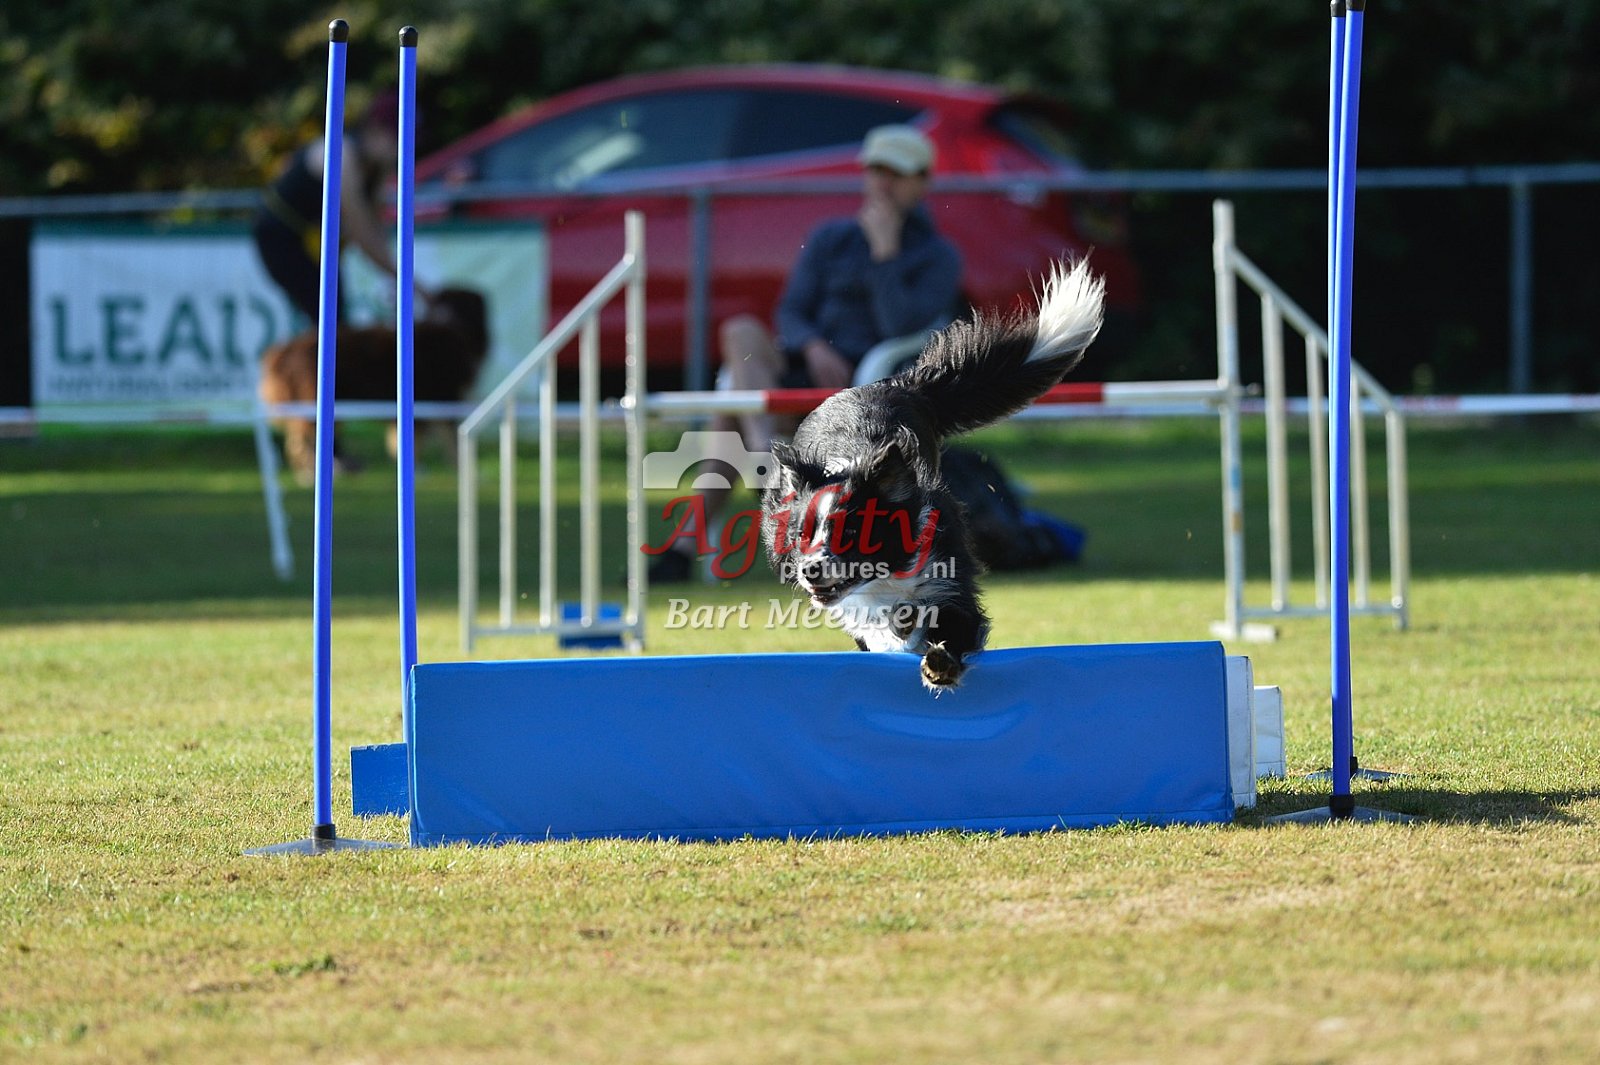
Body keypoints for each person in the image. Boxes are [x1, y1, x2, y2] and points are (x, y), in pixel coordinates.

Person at [650, 123, 963, 583]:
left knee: (729, 419)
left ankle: (687, 544)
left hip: (873, 384)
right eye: (876, 170)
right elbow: (791, 311)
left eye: (896, 173)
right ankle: (765, 452)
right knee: (740, 332)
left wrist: (885, 253)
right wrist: (813, 346)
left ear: (922, 182)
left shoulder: (937, 255)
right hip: (802, 368)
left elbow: (901, 326)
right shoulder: (830, 238)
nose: (883, 183)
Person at [251, 90, 421, 325]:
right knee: (328, 318)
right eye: (398, 137)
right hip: (279, 239)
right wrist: (415, 286)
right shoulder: (342, 156)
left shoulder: (377, 168)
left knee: (333, 316)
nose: (405, 147)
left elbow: (376, 230)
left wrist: (398, 280)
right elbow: (363, 234)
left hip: (312, 245)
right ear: (374, 129)